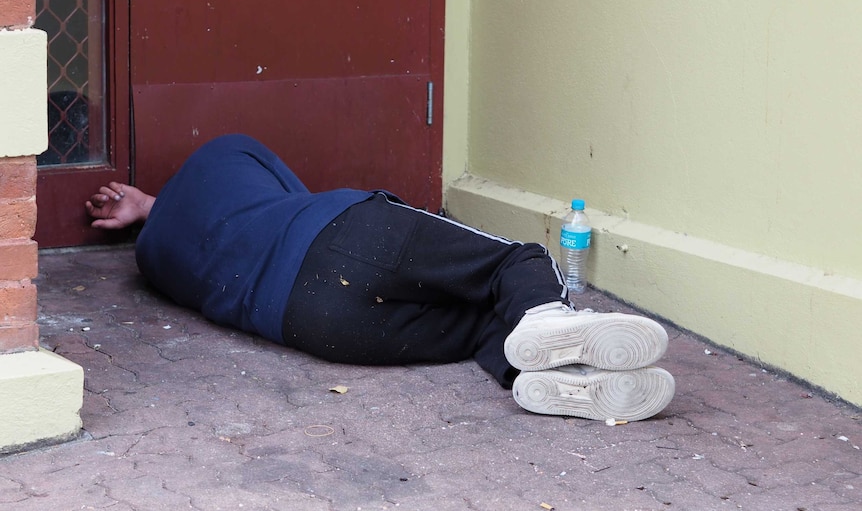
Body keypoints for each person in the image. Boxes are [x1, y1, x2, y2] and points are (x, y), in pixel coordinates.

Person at [86, 134, 675, 421]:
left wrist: (145, 212)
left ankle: (551, 378)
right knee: (513, 261)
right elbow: (297, 197)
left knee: (476, 330)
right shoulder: (228, 150)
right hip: (338, 233)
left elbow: (182, 217)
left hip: (313, 324)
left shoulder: (153, 260)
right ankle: (549, 319)